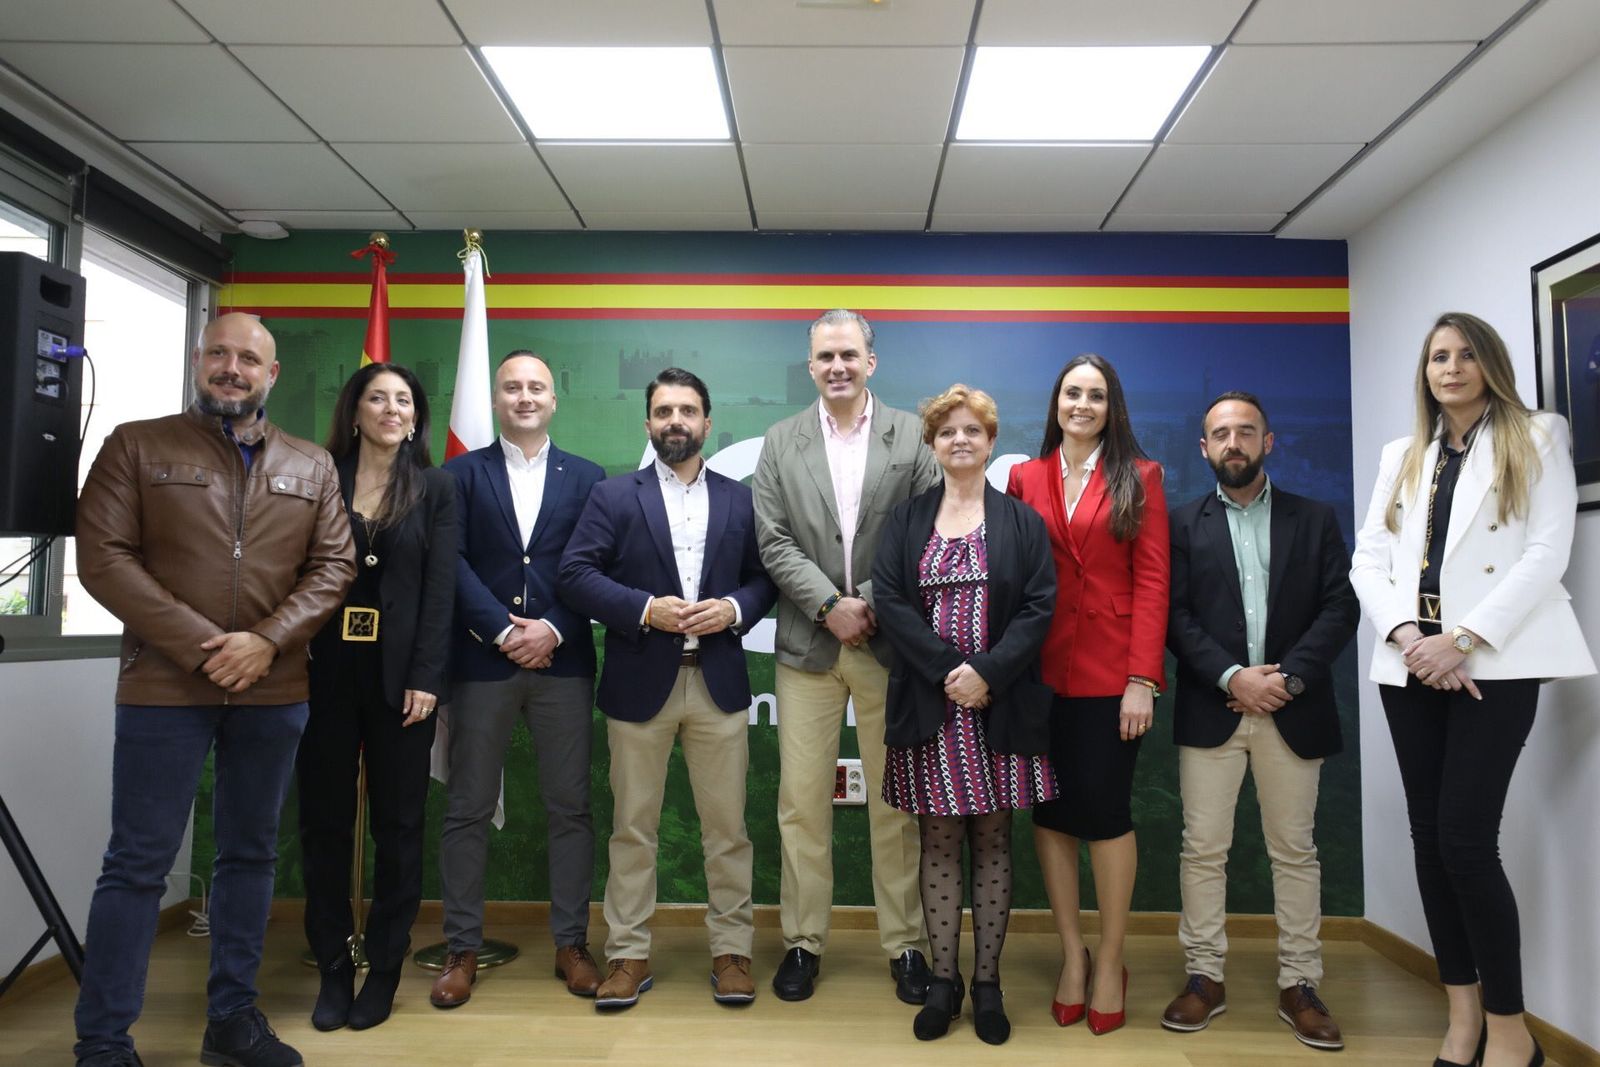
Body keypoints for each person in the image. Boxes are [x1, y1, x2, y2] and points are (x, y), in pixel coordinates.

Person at [71, 313, 355, 1067]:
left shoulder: (313, 464)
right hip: (163, 686)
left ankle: (231, 1019)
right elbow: (103, 557)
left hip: (274, 686)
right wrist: (205, 647)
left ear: (273, 374)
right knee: (136, 862)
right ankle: (102, 1040)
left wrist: (263, 641)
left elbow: (334, 567)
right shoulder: (137, 444)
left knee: (250, 855)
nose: (232, 367)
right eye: (219, 353)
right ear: (200, 361)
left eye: (249, 358)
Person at [1350, 313, 1594, 1067]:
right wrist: (1409, 640)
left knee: (1465, 839)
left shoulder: (1538, 434)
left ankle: (1511, 1026)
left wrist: (1461, 640)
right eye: (1437, 357)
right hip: (1411, 663)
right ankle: (1462, 1018)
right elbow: (1369, 560)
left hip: (1497, 660)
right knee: (1429, 840)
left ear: (1489, 361)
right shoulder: (1404, 452)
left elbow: (1547, 553)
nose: (1449, 368)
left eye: (1463, 355)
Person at [558, 368, 777, 1009]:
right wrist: (643, 608)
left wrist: (734, 610)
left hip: (718, 685)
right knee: (633, 829)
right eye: (663, 411)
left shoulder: (740, 498)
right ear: (648, 424)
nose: (675, 420)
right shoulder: (613, 496)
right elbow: (575, 574)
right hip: (638, 683)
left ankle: (732, 952)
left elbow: (763, 580)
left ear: (708, 424)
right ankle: (627, 955)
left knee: (728, 829)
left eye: (687, 410)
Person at [753, 309, 941, 1003]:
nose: (837, 365)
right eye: (825, 355)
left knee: (897, 803)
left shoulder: (913, 438)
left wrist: (865, 599)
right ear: (810, 365)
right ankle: (802, 942)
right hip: (808, 646)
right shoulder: (780, 441)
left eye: (849, 354)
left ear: (872, 361)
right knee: (801, 803)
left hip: (889, 647)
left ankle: (907, 946)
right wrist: (830, 604)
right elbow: (772, 541)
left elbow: (926, 529)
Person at [1162, 391, 1358, 1049]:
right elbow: (1175, 617)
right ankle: (1203, 977)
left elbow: (1340, 608)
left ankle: (1300, 983)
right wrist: (1232, 677)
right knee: (1203, 848)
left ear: (1269, 442)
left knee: (1294, 851)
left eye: (1246, 431)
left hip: (1292, 708)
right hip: (1211, 705)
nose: (1234, 442)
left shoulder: (1315, 518)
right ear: (1204, 447)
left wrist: (1285, 678)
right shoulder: (1181, 524)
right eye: (1221, 433)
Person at [872, 385, 1057, 1045]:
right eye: (947, 431)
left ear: (990, 439)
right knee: (940, 841)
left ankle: (988, 984)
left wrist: (987, 673)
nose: (959, 440)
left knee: (994, 840)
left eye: (972, 430)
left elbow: (1040, 604)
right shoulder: (906, 519)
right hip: (932, 703)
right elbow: (889, 599)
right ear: (932, 443)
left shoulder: (1020, 520)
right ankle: (943, 982)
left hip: (997, 705)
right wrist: (950, 668)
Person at [431, 351, 606, 1008]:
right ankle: (461, 948)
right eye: (512, 387)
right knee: (467, 806)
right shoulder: (457, 474)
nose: (524, 396)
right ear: (497, 399)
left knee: (571, 808)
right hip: (482, 662)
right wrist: (503, 631)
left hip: (562, 661)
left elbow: (594, 563)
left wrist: (552, 628)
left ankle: (571, 942)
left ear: (554, 399)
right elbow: (450, 563)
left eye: (536, 387)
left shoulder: (588, 478)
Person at [1005, 352, 1169, 1036]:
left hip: (1111, 677)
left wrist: (1142, 678)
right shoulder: (1024, 476)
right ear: (1056, 402)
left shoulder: (1141, 476)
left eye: (1095, 395)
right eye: (1072, 392)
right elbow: (1011, 573)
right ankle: (1071, 953)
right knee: (1049, 814)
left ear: (1111, 406)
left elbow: (1154, 581)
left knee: (1103, 813)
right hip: (1038, 674)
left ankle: (1109, 958)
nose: (1081, 404)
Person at [296, 362, 457, 1031]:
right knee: (325, 824)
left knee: (398, 827)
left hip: (403, 684)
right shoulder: (315, 477)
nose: (391, 408)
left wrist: (427, 675)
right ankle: (334, 965)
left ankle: (385, 964)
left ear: (416, 416)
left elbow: (441, 589)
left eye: (403, 400)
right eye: (377, 398)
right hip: (321, 671)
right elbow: (289, 565)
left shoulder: (437, 488)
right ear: (355, 410)